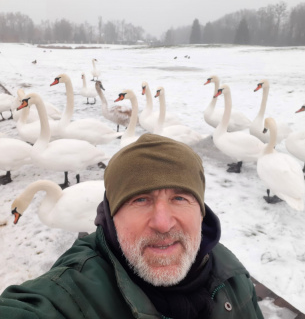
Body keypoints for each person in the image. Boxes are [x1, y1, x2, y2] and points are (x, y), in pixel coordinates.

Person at [0, 133, 263, 319]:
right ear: (110, 216)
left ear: (201, 212)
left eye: (180, 198)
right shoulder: (71, 296)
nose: (163, 223)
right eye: (140, 199)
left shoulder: (234, 277)